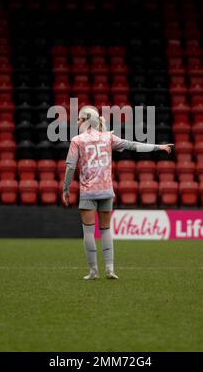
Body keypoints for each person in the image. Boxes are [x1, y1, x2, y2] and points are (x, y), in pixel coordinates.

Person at [63, 106, 173, 280]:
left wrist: (66, 188)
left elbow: (70, 166)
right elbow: (133, 145)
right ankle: (110, 269)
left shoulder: (77, 140)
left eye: (79, 119)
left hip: (88, 192)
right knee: (105, 230)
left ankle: (93, 271)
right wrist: (158, 147)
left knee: (89, 233)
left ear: (86, 120)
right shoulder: (108, 137)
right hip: (106, 191)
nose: (77, 122)